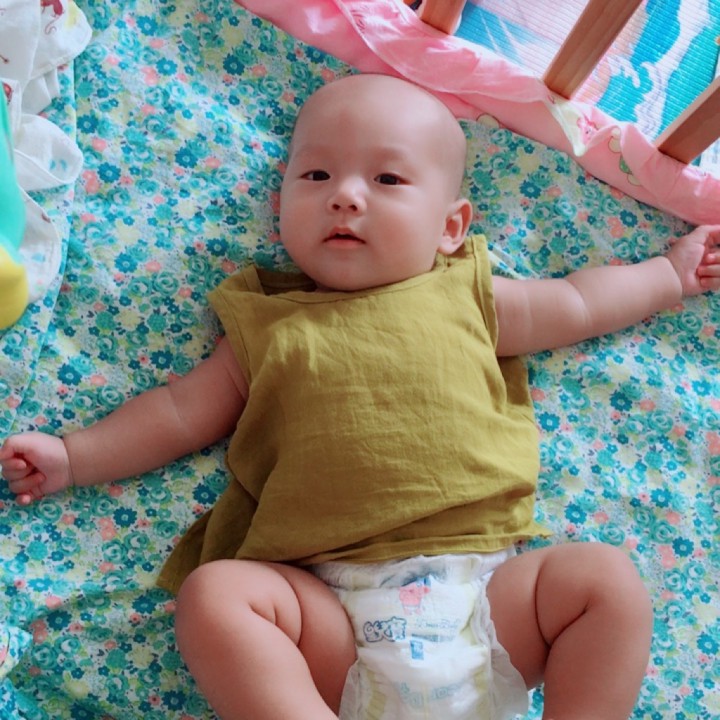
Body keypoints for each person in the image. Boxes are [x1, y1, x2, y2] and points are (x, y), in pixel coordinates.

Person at [1, 74, 719, 720]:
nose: (345, 195)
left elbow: (578, 302)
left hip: (483, 598)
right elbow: (178, 413)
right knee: (216, 596)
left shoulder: (468, 296)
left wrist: (669, 276)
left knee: (603, 579)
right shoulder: (265, 325)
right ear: (280, 203)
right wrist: (74, 455)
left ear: (450, 227)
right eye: (316, 174)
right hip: (332, 611)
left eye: (388, 178)